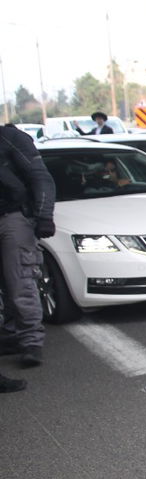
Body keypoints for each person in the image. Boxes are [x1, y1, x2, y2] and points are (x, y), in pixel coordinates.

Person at [0, 123, 56, 368]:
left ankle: (31, 342)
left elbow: (40, 176)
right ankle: (10, 335)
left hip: (13, 217)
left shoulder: (10, 138)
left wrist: (45, 216)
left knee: (20, 281)